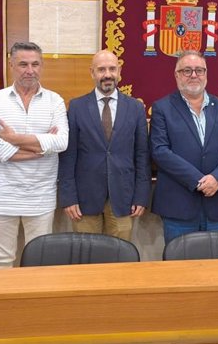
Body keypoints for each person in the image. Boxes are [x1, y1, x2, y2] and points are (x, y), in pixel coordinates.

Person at [0, 41, 68, 268]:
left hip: (40, 198)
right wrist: (39, 149)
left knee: (39, 260)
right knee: (2, 259)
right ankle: (0, 305)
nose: (30, 70)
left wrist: (12, 139)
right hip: (1, 197)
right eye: (23, 64)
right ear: (11, 65)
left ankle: (34, 305)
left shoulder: (54, 100)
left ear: (42, 65)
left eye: (35, 64)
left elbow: (61, 141)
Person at [150, 50, 218, 244]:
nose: (194, 75)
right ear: (176, 75)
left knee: (213, 267)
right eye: (187, 71)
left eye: (199, 70)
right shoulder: (162, 108)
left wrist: (217, 178)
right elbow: (160, 151)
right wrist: (198, 180)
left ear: (206, 74)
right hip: (178, 205)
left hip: (216, 203)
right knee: (179, 267)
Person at [58, 50, 150, 240]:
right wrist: (69, 197)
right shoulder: (76, 107)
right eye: (101, 69)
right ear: (92, 73)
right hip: (84, 200)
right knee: (88, 256)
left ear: (119, 71)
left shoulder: (135, 108)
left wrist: (141, 196)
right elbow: (68, 156)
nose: (107, 74)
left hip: (124, 198)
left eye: (111, 69)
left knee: (120, 257)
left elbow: (142, 155)